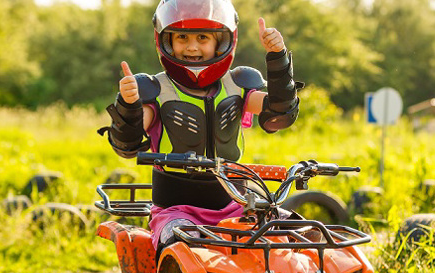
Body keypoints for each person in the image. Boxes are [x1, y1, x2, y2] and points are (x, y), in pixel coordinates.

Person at [99, 0, 300, 253]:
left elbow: (279, 113)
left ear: (222, 42)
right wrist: (128, 105)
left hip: (237, 204)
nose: (192, 47)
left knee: (301, 233)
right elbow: (127, 144)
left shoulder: (237, 84)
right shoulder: (155, 89)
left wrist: (277, 59)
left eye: (202, 37)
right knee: (184, 246)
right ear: (166, 40)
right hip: (177, 209)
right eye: (182, 36)